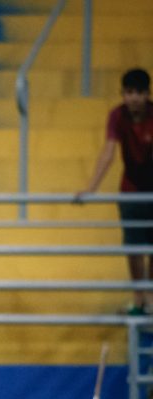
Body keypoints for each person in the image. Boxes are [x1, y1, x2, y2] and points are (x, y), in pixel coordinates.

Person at [76, 68, 153, 315]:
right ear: (122, 94)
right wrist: (91, 188)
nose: (133, 98)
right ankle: (139, 299)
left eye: (138, 93)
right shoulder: (116, 116)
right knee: (133, 248)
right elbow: (108, 153)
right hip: (129, 190)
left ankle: (150, 297)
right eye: (128, 93)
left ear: (147, 94)